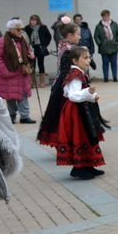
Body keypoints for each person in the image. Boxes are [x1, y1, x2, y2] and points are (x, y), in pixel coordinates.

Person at [37, 46, 108, 180]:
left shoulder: (79, 73)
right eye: (85, 58)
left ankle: (87, 165)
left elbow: (80, 93)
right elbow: (73, 96)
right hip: (76, 112)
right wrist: (88, 93)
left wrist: (92, 97)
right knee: (80, 136)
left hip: (81, 110)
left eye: (89, 57)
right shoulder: (75, 75)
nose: (88, 60)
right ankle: (79, 168)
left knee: (86, 136)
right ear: (75, 61)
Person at [0, 19, 36, 124]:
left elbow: (29, 50)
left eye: (21, 29)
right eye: (18, 29)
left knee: (23, 95)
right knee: (10, 96)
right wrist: (4, 71)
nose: (20, 31)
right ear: (11, 30)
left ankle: (25, 116)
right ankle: (11, 116)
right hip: (9, 73)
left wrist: (31, 55)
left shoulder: (23, 39)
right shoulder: (2, 41)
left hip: (22, 73)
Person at [93, 10, 118, 83]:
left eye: (107, 16)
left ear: (109, 16)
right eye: (104, 16)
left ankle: (115, 77)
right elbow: (96, 36)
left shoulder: (114, 24)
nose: (106, 17)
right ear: (102, 17)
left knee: (114, 62)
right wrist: (100, 43)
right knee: (105, 63)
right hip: (104, 47)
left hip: (114, 46)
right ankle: (106, 77)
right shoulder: (98, 26)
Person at [24, 15, 52, 88]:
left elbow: (49, 36)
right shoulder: (27, 28)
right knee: (32, 65)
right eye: (32, 20)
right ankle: (33, 83)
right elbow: (24, 37)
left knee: (41, 64)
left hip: (40, 47)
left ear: (38, 20)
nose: (33, 21)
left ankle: (42, 82)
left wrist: (44, 44)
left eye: (35, 20)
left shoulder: (43, 27)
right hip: (31, 48)